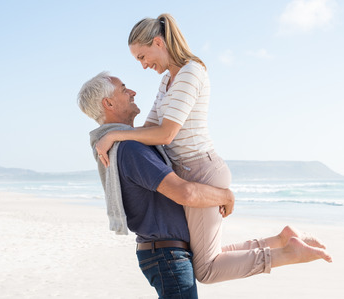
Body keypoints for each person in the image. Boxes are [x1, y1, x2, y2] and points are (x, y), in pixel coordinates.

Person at [94, 14, 331, 284]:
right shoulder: (167, 81)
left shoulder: (190, 72)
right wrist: (117, 136)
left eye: (142, 57)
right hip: (188, 171)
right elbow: (148, 127)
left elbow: (166, 134)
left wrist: (113, 134)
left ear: (158, 43)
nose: (143, 65)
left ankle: (288, 253)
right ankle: (281, 240)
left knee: (206, 270)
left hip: (202, 169)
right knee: (208, 257)